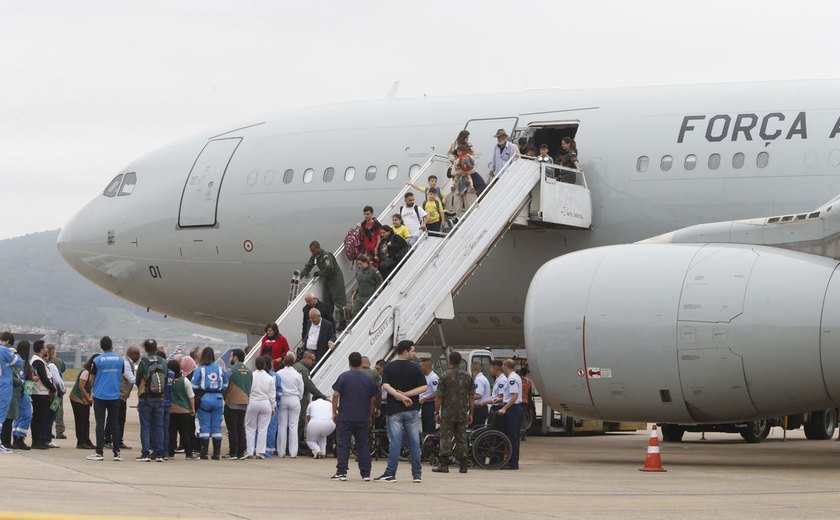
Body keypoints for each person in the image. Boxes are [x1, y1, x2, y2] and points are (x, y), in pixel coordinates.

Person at [375, 340, 427, 483]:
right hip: (413, 410)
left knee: (395, 442)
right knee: (414, 442)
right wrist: (408, 395)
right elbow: (424, 388)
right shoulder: (416, 368)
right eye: (412, 350)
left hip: (394, 410)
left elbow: (386, 386)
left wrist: (400, 396)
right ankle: (417, 474)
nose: (414, 353)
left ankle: (390, 473)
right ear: (405, 351)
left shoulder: (389, 368)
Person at [331, 351, 378, 481]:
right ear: (361, 363)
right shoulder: (368, 379)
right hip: (362, 416)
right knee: (363, 444)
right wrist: (370, 414)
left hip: (346, 416)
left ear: (349, 362)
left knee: (343, 444)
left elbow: (335, 395)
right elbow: (373, 398)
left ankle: (341, 472)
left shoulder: (344, 377)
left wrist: (334, 412)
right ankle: (366, 473)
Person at [432, 351, 474, 473]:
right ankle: (463, 465)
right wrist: (471, 413)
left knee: (446, 437)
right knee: (461, 437)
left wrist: (436, 412)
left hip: (447, 413)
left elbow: (439, 397)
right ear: (460, 361)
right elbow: (472, 396)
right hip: (462, 412)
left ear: (449, 361)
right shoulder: (468, 376)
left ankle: (444, 464)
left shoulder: (444, 376)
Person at [87, 336, 124, 461]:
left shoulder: (97, 360)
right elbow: (121, 374)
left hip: (100, 395)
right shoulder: (120, 360)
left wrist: (92, 391)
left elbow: (91, 379)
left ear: (101, 347)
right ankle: (117, 452)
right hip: (114, 395)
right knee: (115, 423)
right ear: (112, 345)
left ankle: (99, 452)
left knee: (100, 423)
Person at [301, 241, 348, 331]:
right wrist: (302, 274)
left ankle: (343, 322)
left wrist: (319, 273)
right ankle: (330, 322)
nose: (312, 253)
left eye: (313, 250)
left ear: (318, 248)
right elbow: (309, 266)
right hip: (327, 281)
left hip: (335, 280)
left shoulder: (326, 256)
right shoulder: (315, 257)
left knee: (339, 302)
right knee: (328, 302)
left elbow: (330, 269)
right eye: (311, 251)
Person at [191, 347, 228, 460]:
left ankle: (204, 453)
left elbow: (194, 386)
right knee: (217, 427)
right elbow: (225, 385)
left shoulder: (200, 369)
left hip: (205, 398)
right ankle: (216, 454)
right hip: (218, 398)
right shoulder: (220, 369)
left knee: (205, 426)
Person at [135, 338, 166, 461]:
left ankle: (145, 453)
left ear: (146, 349)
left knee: (146, 426)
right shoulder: (163, 362)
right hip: (159, 397)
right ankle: (159, 453)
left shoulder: (144, 362)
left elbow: (138, 380)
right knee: (159, 426)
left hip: (146, 398)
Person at [105, 345, 138, 450]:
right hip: (119, 396)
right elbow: (132, 379)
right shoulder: (126, 363)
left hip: (122, 396)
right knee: (115, 419)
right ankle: (109, 440)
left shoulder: (129, 363)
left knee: (119, 419)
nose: (139, 357)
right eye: (138, 355)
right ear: (133, 354)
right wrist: (144, 379)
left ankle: (118, 440)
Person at [294, 350, 327, 452]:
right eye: (312, 360)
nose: (313, 362)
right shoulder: (303, 370)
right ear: (306, 358)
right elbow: (310, 386)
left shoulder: (295, 366)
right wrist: (323, 396)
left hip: (292, 398)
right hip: (300, 399)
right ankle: (295, 446)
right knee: (300, 421)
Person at [223, 348, 252, 460]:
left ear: (235, 357)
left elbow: (225, 386)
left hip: (231, 402)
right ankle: (241, 451)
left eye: (231, 356)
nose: (230, 358)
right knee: (241, 427)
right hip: (244, 403)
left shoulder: (230, 370)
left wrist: (224, 397)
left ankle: (233, 452)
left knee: (232, 429)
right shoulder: (249, 371)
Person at [244, 356, 275, 459]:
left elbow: (247, 390)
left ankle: (250, 451)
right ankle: (260, 452)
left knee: (250, 428)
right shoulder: (270, 378)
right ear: (265, 365)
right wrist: (272, 407)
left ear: (255, 364)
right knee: (263, 429)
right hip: (265, 403)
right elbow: (272, 395)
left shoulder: (251, 376)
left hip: (252, 402)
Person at [496, 359, 523, 470]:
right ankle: (511, 461)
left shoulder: (512, 379)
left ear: (506, 366)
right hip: (512, 408)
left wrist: (504, 409)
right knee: (510, 436)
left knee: (512, 436)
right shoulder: (512, 378)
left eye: (503, 366)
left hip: (513, 409)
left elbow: (514, 396)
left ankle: (512, 462)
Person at [168, 359, 197, 460]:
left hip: (171, 410)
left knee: (171, 432)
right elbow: (191, 396)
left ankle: (170, 453)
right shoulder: (184, 380)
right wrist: (192, 408)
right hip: (184, 411)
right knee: (185, 433)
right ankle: (188, 454)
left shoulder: (168, 380)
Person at [29, 340, 55, 450]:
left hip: (42, 392)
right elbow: (44, 378)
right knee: (39, 418)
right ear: (41, 349)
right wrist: (53, 389)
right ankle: (37, 441)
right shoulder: (38, 361)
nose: (46, 350)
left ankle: (40, 440)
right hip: (39, 393)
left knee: (41, 417)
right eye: (45, 348)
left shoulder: (39, 361)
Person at [276, 353, 303, 458]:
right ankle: (293, 452)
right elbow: (301, 389)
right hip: (294, 399)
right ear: (294, 363)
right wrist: (298, 398)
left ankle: (281, 451)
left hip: (283, 398)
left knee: (282, 425)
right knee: (293, 426)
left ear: (283, 362)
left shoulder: (279, 373)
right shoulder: (297, 374)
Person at [69, 354, 98, 450]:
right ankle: (81, 441)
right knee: (80, 420)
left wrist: (90, 398)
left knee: (86, 420)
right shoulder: (85, 372)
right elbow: (81, 387)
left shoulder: (93, 373)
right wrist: (88, 398)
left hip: (85, 399)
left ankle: (87, 440)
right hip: (77, 398)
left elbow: (91, 387)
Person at [0, 332, 21, 453]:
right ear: (8, 341)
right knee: (1, 414)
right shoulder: (4, 350)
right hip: (3, 386)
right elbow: (17, 362)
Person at [11, 340, 32, 451]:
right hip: (23, 391)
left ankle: (16, 438)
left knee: (19, 416)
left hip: (20, 391)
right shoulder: (21, 361)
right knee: (27, 415)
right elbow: (23, 376)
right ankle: (19, 438)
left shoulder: (18, 360)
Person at [45, 346, 65, 448]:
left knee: (49, 415)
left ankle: (47, 436)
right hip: (57, 395)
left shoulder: (47, 364)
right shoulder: (52, 365)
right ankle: (48, 438)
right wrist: (63, 389)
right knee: (52, 414)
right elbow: (58, 381)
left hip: (50, 394)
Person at [418, 359, 439, 435]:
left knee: (429, 428)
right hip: (424, 405)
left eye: (421, 366)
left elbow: (436, 393)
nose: (420, 368)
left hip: (430, 405)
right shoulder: (425, 377)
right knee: (425, 427)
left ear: (426, 366)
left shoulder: (433, 378)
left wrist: (424, 399)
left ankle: (430, 445)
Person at [471, 361, 491, 427]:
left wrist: (467, 397)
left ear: (472, 369)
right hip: (482, 408)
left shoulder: (478, 380)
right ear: (480, 369)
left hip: (479, 408)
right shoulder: (483, 378)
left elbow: (478, 395)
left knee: (476, 429)